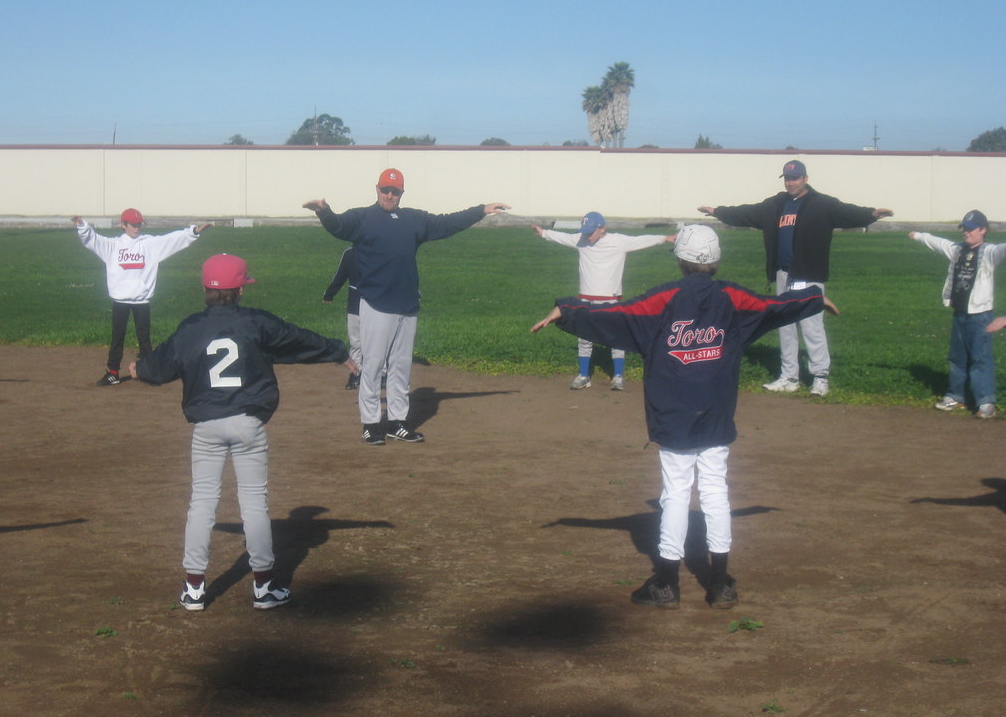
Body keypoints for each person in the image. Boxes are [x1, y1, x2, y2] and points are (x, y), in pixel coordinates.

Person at [531, 224, 839, 610]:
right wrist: (812, 299)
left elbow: (616, 314)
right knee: (716, 491)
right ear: (715, 260)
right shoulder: (732, 298)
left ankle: (666, 584)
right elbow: (772, 306)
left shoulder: (663, 299)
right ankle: (721, 583)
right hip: (715, 410)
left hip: (673, 412)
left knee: (675, 494)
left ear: (681, 260)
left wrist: (568, 311)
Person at [130, 253, 358, 611]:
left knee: (202, 503)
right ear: (240, 290)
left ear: (206, 288)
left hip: (207, 426)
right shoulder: (257, 323)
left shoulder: (192, 327)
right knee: (254, 504)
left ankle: (193, 590)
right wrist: (337, 351)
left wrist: (137, 369)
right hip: (248, 425)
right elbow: (297, 338)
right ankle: (264, 589)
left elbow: (159, 368)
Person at [303, 168, 509, 446]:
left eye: (395, 191)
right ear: (376, 189)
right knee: (373, 366)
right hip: (376, 303)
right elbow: (338, 226)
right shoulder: (362, 217)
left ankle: (398, 422)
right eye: (385, 190)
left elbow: (447, 223)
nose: (389, 195)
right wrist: (324, 212)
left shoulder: (413, 219)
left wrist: (481, 210)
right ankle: (371, 423)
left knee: (401, 367)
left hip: (407, 304)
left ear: (402, 193)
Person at [697, 160, 892, 396]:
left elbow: (847, 212)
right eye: (788, 178)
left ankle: (820, 378)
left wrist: (870, 214)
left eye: (796, 178)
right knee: (785, 325)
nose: (791, 182)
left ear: (805, 179)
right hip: (783, 273)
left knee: (812, 326)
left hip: (808, 273)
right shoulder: (776, 204)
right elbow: (746, 213)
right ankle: (789, 376)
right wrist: (719, 212)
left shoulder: (822, 204)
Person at [72, 209, 212, 386]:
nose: (136, 228)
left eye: (139, 224)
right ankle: (113, 373)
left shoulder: (149, 244)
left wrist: (192, 233)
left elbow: (171, 240)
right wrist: (82, 226)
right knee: (117, 338)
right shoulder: (112, 246)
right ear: (123, 225)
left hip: (142, 300)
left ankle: (149, 372)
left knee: (144, 339)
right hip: (120, 300)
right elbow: (93, 240)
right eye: (133, 224)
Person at [532, 211, 668, 390]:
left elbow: (641, 240)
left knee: (616, 335)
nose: (587, 236)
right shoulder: (581, 240)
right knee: (584, 337)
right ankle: (583, 375)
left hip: (611, 298)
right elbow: (564, 237)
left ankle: (618, 375)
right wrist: (544, 233)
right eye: (585, 232)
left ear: (602, 229)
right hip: (586, 298)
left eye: (590, 232)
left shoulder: (618, 241)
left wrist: (664, 238)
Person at [910, 210, 1006, 419]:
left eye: (972, 229)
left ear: (983, 230)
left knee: (980, 359)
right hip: (960, 314)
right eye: (964, 228)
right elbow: (939, 243)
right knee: (957, 358)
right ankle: (956, 396)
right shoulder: (958, 250)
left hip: (980, 316)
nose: (966, 233)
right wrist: (919, 235)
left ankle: (985, 402)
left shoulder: (989, 252)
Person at [322, 246, 362, 390]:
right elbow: (341, 274)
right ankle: (356, 373)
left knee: (377, 342)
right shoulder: (350, 253)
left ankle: (382, 374)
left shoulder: (381, 250)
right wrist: (330, 293)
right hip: (355, 304)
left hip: (377, 303)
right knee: (356, 342)